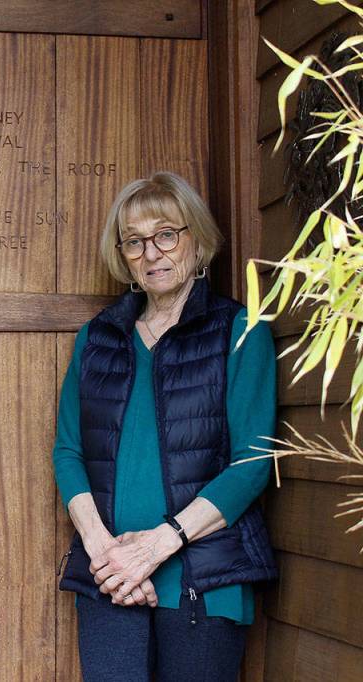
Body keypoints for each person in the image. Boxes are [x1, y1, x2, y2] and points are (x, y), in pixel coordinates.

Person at [53, 172, 278, 681]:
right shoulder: (98, 338)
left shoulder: (240, 332)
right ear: (124, 255)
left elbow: (252, 464)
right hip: (111, 580)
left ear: (196, 239)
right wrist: (107, 553)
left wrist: (157, 547)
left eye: (166, 235)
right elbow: (69, 451)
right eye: (134, 241)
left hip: (205, 579)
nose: (151, 252)